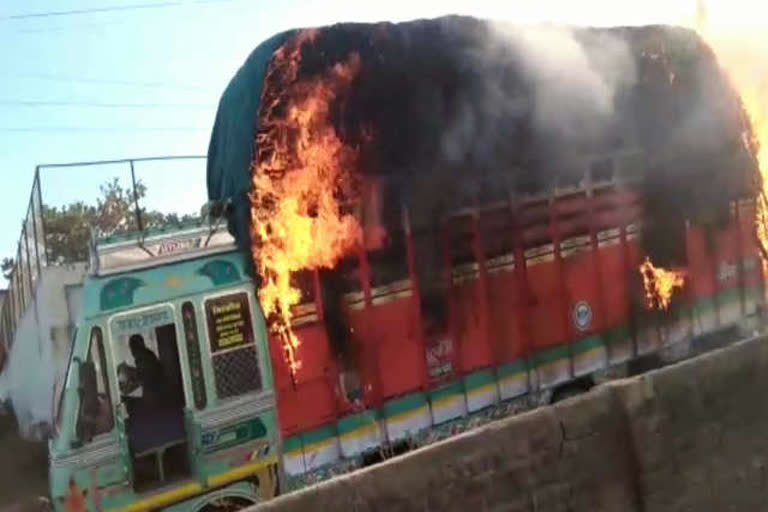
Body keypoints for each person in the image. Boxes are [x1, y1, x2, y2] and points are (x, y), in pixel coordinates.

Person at [125, 334, 165, 409]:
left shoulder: (145, 357)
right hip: (152, 395)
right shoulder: (146, 355)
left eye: (133, 347)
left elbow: (145, 377)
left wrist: (132, 374)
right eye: (131, 348)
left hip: (155, 396)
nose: (132, 351)